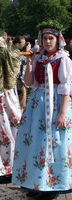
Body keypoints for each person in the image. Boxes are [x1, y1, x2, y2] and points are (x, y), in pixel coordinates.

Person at [12, 23, 72, 200]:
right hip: (37, 104)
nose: (47, 41)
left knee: (52, 143)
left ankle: (51, 185)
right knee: (35, 143)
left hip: (55, 103)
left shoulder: (63, 59)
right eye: (45, 38)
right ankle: (35, 181)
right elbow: (30, 82)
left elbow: (66, 88)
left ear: (57, 40)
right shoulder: (39, 58)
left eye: (51, 38)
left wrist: (62, 113)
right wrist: (30, 62)